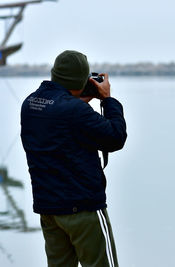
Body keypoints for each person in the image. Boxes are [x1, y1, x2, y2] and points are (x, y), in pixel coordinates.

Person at [20, 50, 127, 267]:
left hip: (49, 210)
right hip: (83, 210)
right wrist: (107, 100)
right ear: (81, 79)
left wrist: (78, 100)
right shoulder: (75, 110)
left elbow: (62, 125)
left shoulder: (30, 103)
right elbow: (115, 138)